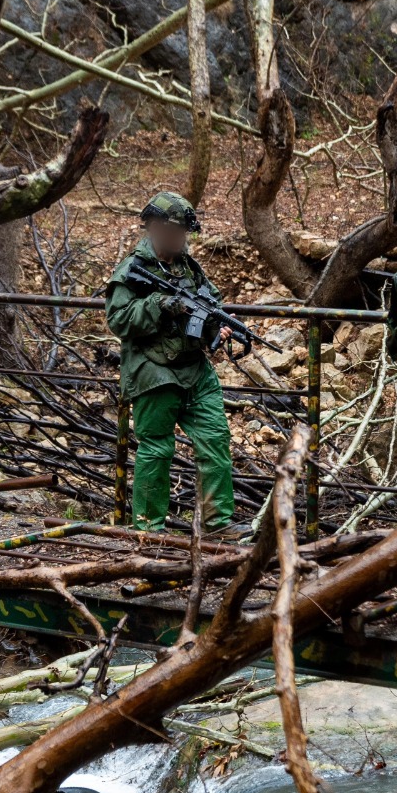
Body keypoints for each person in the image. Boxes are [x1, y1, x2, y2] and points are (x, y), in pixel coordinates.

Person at [104, 191, 249, 537]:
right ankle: (149, 529)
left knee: (215, 439)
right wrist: (159, 304)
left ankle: (216, 522)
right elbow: (118, 319)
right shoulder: (132, 269)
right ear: (153, 228)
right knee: (156, 449)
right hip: (154, 370)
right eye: (173, 231)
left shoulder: (187, 266)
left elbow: (210, 301)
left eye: (182, 232)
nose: (179, 238)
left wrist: (218, 324)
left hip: (194, 369)